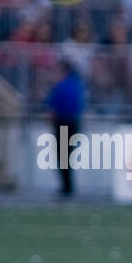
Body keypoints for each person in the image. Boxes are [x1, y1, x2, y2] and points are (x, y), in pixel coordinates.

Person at [45, 58, 84, 197]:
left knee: (63, 156)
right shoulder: (75, 85)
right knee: (66, 156)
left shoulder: (62, 86)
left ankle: (66, 187)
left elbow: (53, 107)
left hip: (64, 123)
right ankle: (67, 186)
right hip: (72, 123)